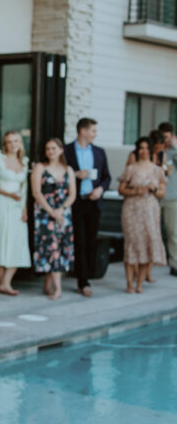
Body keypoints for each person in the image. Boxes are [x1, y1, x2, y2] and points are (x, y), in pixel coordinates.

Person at [64, 118, 111, 297]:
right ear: (83, 131)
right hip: (76, 202)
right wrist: (76, 174)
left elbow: (107, 177)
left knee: (91, 241)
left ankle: (86, 274)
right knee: (80, 242)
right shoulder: (67, 151)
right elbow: (60, 174)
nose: (95, 134)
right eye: (93, 130)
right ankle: (83, 282)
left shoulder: (99, 152)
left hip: (94, 202)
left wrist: (100, 189)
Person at [0, 131, 31, 295]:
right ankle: (4, 284)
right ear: (5, 144)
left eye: (15, 140)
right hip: (1, 206)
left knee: (17, 243)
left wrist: (24, 210)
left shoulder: (24, 161)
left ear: (20, 143)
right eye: (9, 141)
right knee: (0, 241)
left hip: (17, 208)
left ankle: (5, 282)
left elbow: (24, 189)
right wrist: (9, 194)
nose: (13, 144)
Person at [118, 137, 167, 293]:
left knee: (148, 243)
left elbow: (162, 193)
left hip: (150, 209)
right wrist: (136, 191)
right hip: (132, 209)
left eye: (147, 148)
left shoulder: (157, 170)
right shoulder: (131, 168)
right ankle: (129, 284)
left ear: (151, 150)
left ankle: (140, 284)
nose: (144, 151)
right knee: (132, 243)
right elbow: (121, 189)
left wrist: (153, 189)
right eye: (141, 148)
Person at [31, 139, 76, 300]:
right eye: (48, 148)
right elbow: (36, 192)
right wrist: (51, 211)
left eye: (54, 148)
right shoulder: (40, 167)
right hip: (45, 214)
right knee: (51, 249)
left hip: (63, 214)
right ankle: (58, 288)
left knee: (60, 248)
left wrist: (61, 210)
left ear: (61, 150)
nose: (50, 151)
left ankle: (48, 284)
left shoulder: (68, 169)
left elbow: (72, 194)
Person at [157, 122, 177, 276]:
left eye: (167, 138)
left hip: (172, 197)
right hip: (154, 197)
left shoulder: (174, 152)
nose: (165, 140)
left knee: (173, 232)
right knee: (153, 231)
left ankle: (174, 263)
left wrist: (175, 147)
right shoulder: (156, 151)